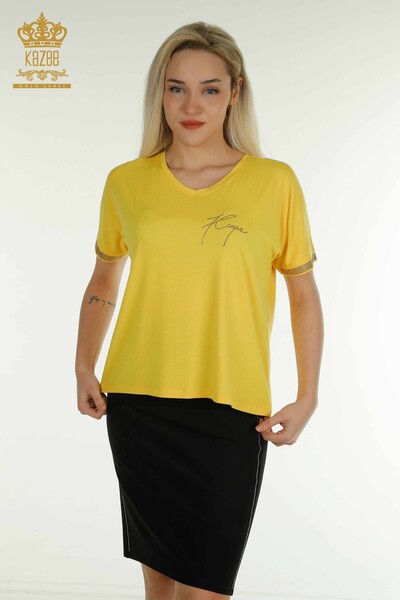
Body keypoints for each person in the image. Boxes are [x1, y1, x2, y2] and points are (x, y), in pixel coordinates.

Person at [75, 20, 324, 600]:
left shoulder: (275, 183)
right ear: (159, 94)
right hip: (138, 405)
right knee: (160, 590)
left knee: (205, 591)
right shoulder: (126, 183)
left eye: (209, 89)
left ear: (234, 92)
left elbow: (303, 293)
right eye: (177, 88)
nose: (192, 105)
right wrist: (84, 365)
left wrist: (308, 395)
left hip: (231, 409)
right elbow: (105, 277)